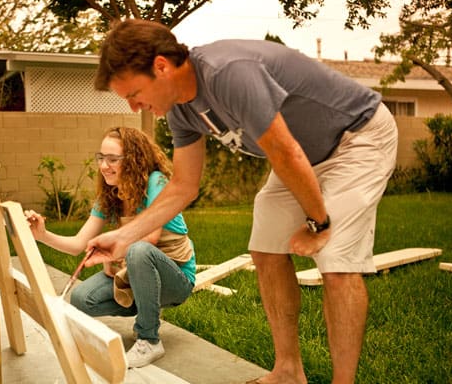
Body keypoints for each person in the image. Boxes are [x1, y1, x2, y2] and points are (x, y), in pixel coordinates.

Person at [85, 19, 398, 384]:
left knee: (337, 260)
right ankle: (287, 372)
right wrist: (124, 238)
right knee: (265, 248)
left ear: (161, 66)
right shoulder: (181, 109)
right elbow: (184, 186)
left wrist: (319, 223)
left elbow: (285, 152)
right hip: (299, 156)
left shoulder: (229, 73)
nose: (133, 104)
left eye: (134, 92)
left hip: (356, 137)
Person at [25, 126, 196, 368]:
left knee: (139, 251)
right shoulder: (110, 195)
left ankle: (149, 339)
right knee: (83, 299)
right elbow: (77, 245)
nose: (104, 165)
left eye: (113, 159)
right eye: (101, 158)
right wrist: (42, 235)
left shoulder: (156, 181)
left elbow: (149, 239)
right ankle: (148, 308)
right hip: (136, 272)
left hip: (175, 279)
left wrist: (113, 252)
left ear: (135, 160)